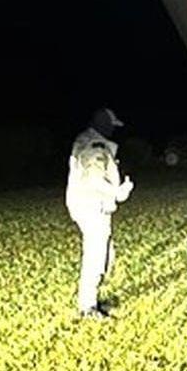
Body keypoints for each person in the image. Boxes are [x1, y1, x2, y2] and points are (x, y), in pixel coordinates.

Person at [65, 107, 134, 317]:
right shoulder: (97, 146)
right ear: (103, 125)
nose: (113, 131)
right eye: (111, 127)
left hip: (84, 204)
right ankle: (88, 307)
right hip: (92, 206)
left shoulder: (84, 140)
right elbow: (94, 178)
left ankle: (91, 298)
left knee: (105, 255)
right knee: (96, 255)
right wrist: (119, 192)